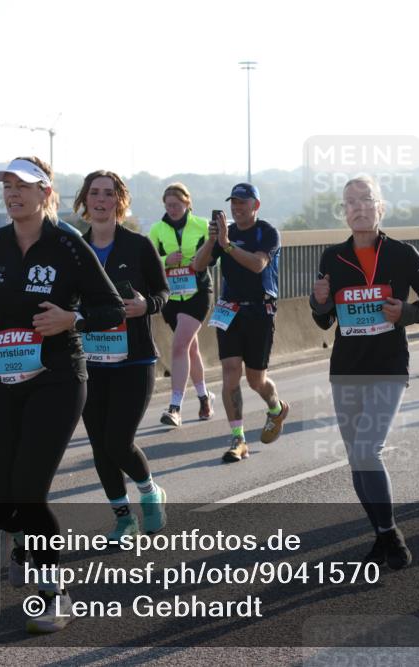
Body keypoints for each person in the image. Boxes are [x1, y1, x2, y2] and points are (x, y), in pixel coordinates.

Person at [0, 156, 125, 633]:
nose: (13, 193)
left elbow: (112, 308)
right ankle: (23, 546)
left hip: (58, 375)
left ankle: (53, 591)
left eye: (23, 186)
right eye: (7, 186)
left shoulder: (69, 246)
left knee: (30, 491)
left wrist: (71, 319)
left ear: (45, 192)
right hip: (4, 376)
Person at [311, 176, 419, 569]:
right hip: (347, 367)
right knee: (357, 457)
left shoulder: (402, 253)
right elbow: (323, 320)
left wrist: (409, 313)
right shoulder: (332, 257)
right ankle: (381, 535)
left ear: (380, 207)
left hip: (389, 365)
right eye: (349, 202)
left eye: (365, 199)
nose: (358, 207)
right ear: (344, 212)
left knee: (369, 449)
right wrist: (319, 304)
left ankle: (391, 535)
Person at [75, 170, 169, 540]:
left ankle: (149, 491)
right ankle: (122, 517)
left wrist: (146, 305)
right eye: (94, 193)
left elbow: (163, 293)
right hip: (90, 362)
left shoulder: (139, 246)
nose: (101, 200)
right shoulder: (75, 249)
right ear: (85, 201)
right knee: (100, 445)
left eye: (108, 193)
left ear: (119, 200)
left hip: (134, 361)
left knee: (118, 441)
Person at [191, 183, 288, 463]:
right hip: (229, 311)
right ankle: (238, 439)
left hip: (260, 311)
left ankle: (276, 408)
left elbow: (258, 264)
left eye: (243, 202)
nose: (236, 207)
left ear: (255, 205)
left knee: (255, 379)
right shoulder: (225, 234)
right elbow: (198, 266)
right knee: (230, 371)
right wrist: (213, 240)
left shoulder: (267, 232)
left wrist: (228, 246)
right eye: (233, 202)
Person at [148, 183, 214, 426]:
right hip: (171, 297)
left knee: (179, 347)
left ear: (187, 203)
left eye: (177, 205)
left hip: (197, 293)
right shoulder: (157, 229)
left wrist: (195, 260)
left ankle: (175, 407)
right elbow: (149, 260)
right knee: (190, 349)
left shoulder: (202, 226)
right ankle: (204, 397)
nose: (173, 209)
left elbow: (213, 256)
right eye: (168, 205)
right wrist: (167, 259)